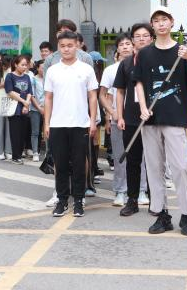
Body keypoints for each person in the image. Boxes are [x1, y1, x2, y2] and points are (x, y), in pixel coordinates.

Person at [134, 7, 187, 237]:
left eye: (164, 19)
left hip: (175, 117)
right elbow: (139, 82)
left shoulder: (183, 50)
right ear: (152, 25)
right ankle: (162, 215)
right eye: (156, 21)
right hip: (151, 119)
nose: (161, 24)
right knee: (154, 168)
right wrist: (143, 108)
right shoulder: (145, 54)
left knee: (181, 167)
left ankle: (186, 215)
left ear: (172, 23)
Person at [44, 30, 98, 218]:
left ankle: (78, 200)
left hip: (80, 124)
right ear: (58, 47)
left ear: (77, 46)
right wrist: (47, 123)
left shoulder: (86, 69)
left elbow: (93, 97)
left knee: (79, 164)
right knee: (60, 164)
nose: (66, 49)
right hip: (58, 124)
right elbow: (48, 98)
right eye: (62, 46)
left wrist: (92, 121)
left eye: (70, 45)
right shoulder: (53, 70)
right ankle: (62, 200)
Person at [114, 22, 155, 216]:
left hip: (154, 118)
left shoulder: (158, 60)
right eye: (137, 36)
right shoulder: (126, 63)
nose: (141, 39)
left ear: (151, 38)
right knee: (132, 160)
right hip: (131, 118)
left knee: (154, 161)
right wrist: (120, 116)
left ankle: (156, 200)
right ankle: (132, 200)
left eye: (145, 35)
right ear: (132, 40)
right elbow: (120, 91)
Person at [100, 34, 135, 207]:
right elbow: (103, 95)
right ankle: (121, 190)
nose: (125, 47)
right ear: (117, 49)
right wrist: (112, 113)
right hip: (118, 119)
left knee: (141, 157)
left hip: (138, 118)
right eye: (122, 44)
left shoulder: (141, 65)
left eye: (128, 43)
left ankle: (141, 190)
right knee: (120, 156)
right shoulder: (110, 70)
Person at [5, 55, 33, 164]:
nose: (25, 67)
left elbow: (29, 92)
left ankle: (19, 155)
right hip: (14, 109)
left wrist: (26, 105)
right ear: (16, 65)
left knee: (23, 133)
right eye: (22, 65)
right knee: (15, 134)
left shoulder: (27, 77)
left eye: (26, 65)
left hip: (25, 108)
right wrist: (23, 101)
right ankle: (15, 157)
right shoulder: (10, 76)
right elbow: (10, 92)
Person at [29, 60, 45, 162]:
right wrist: (39, 108)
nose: (44, 69)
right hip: (35, 109)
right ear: (38, 68)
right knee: (35, 132)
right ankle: (35, 152)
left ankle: (49, 152)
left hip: (48, 109)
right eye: (42, 67)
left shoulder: (49, 79)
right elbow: (32, 96)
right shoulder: (33, 79)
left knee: (48, 131)